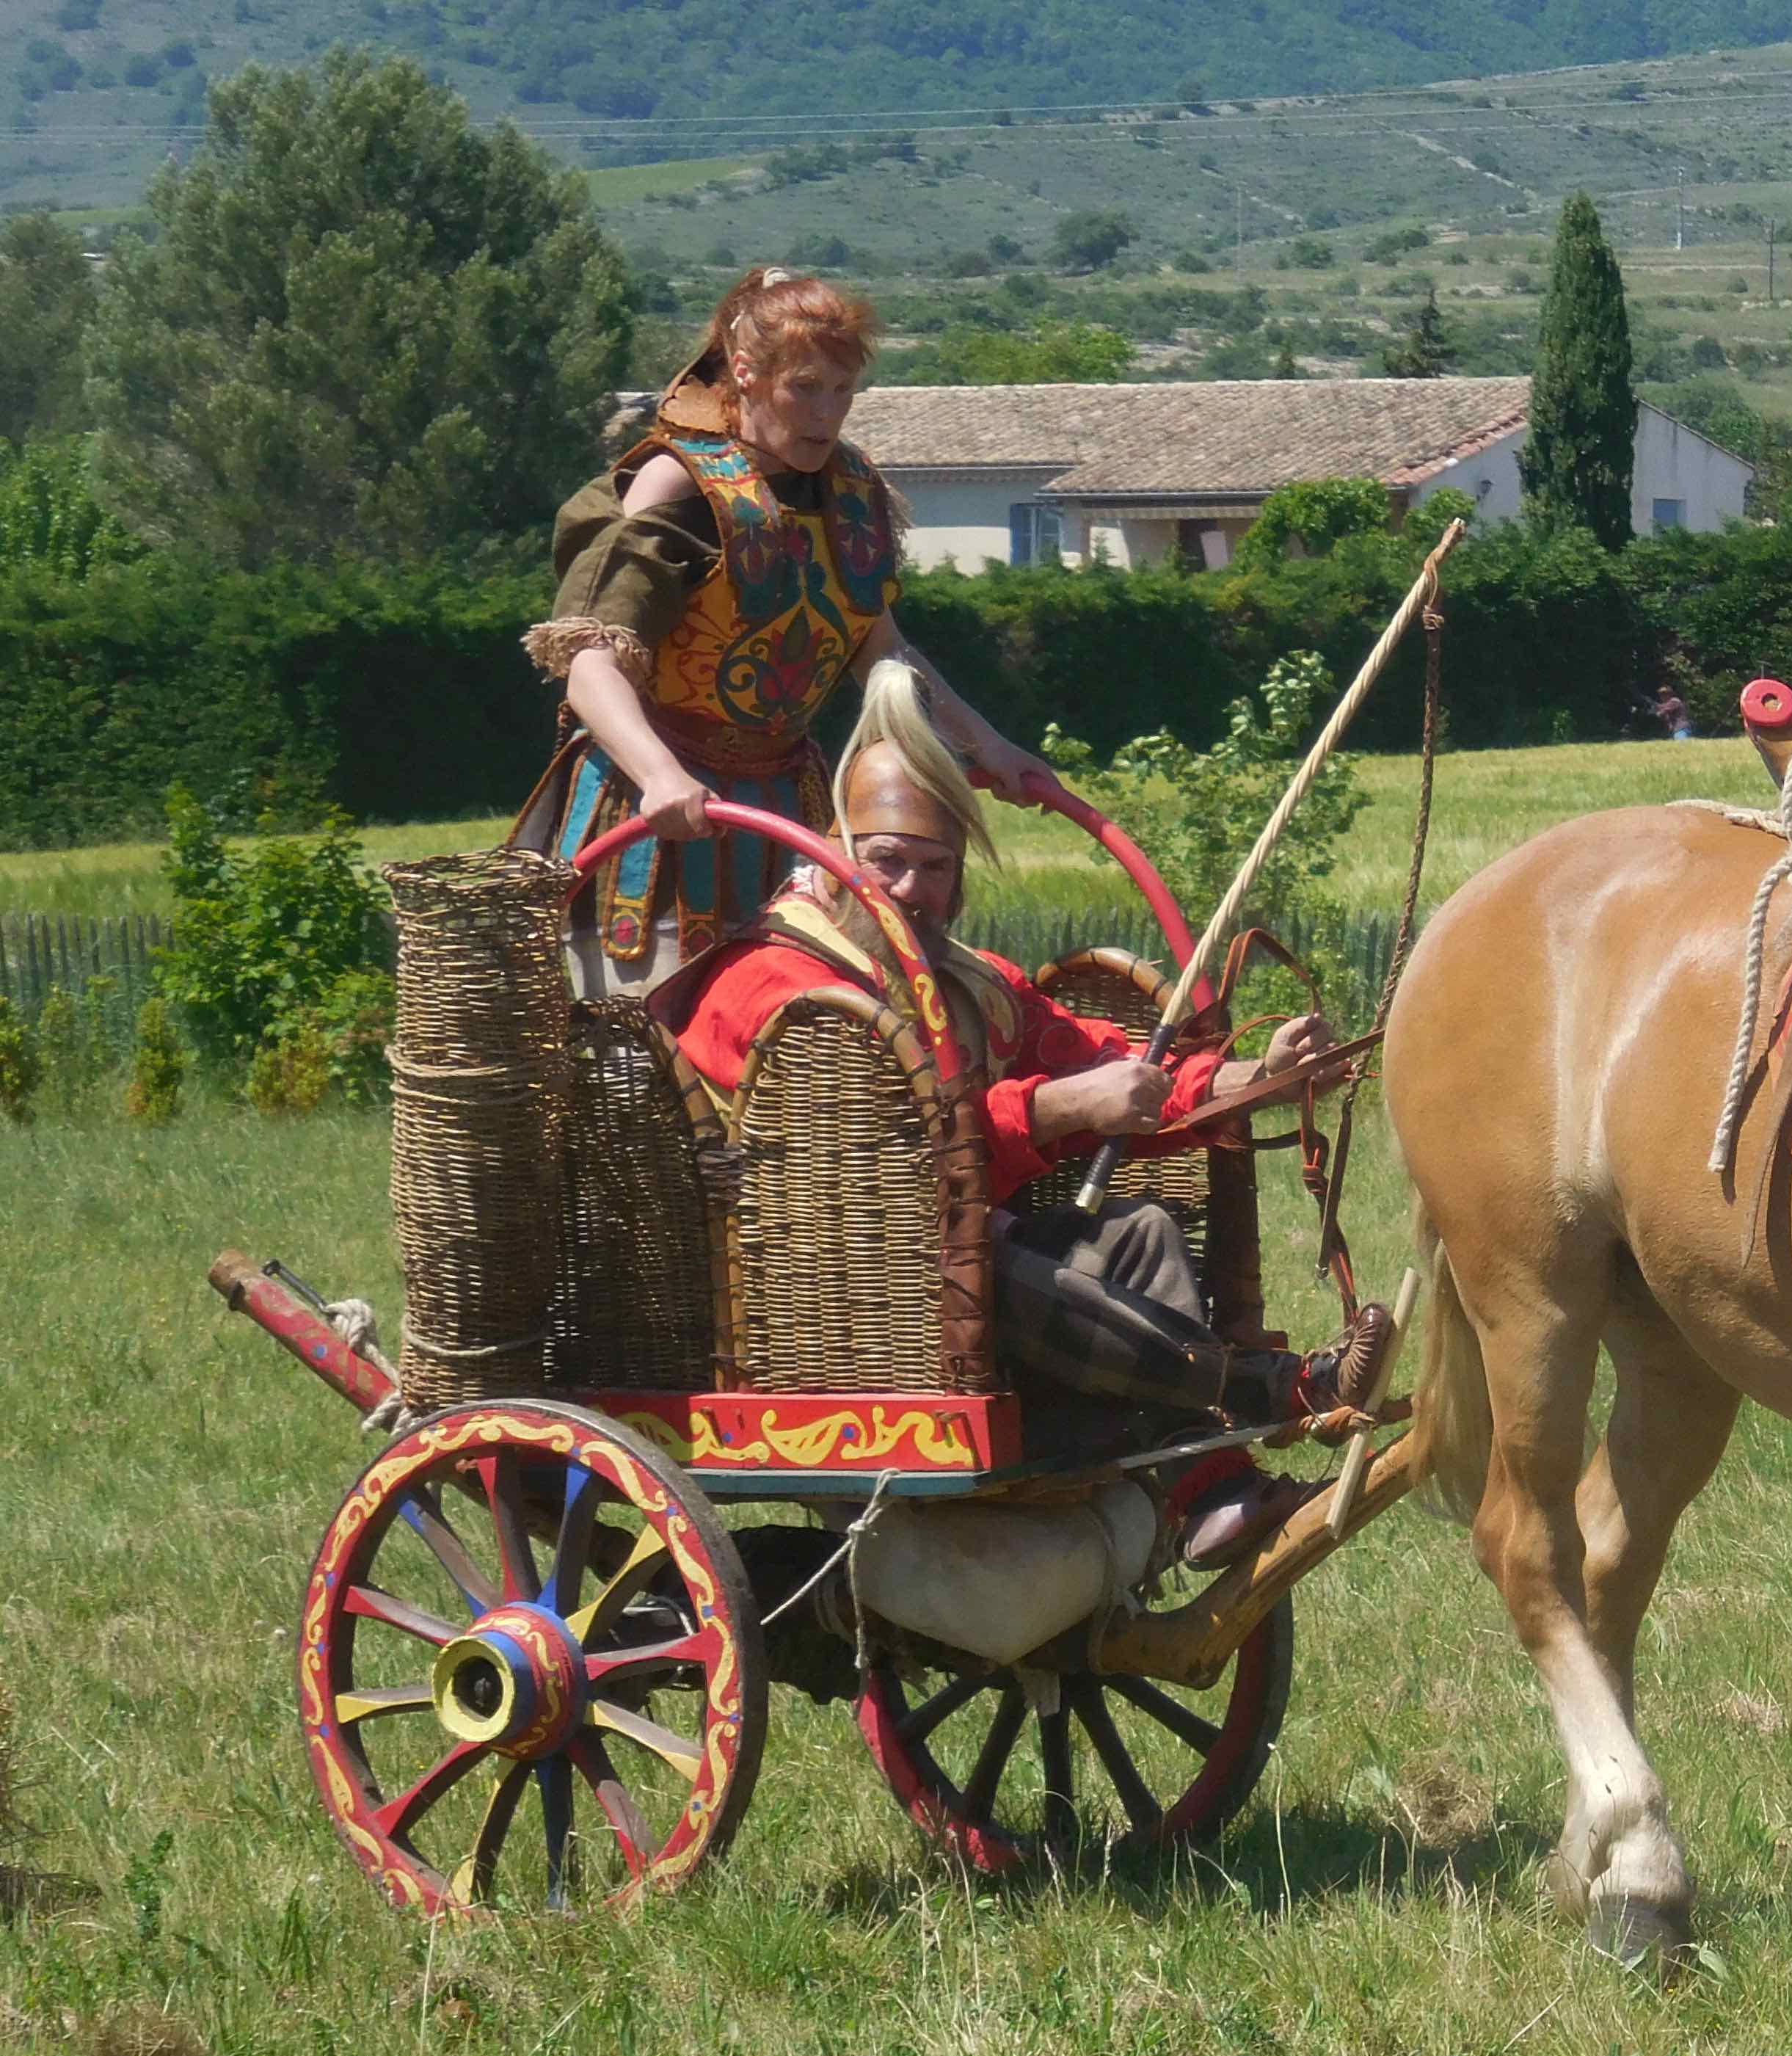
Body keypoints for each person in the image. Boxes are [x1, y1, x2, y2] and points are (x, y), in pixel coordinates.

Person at [666, 658, 1394, 1563]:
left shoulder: (969, 981)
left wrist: (1258, 1076)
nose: (910, 890)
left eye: (935, 868)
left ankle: (1207, 1489)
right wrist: (1051, 1110)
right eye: (886, 862)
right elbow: (886, 1152)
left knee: (1141, 1235)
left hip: (963, 1270)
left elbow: (1109, 1063)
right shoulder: (769, 982)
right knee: (990, 1262)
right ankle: (1271, 1389)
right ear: (838, 853)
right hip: (836, 1291)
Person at [515, 265, 1051, 993]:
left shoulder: (852, 491)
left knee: (798, 1023)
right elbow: (588, 663)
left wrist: (991, 747)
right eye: (805, 387)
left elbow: (883, 652)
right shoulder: (678, 483)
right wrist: (660, 775)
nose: (825, 414)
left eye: (842, 391)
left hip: (786, 815)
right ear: (745, 372)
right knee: (650, 1039)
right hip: (655, 818)